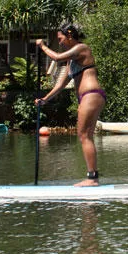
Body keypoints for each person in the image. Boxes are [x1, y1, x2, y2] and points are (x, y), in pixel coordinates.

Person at [35, 24, 106, 187]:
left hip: (91, 94)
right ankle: (92, 177)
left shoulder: (82, 48)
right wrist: (45, 99)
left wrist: (43, 46)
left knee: (84, 136)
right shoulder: (71, 62)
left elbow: (57, 57)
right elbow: (60, 85)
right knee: (85, 136)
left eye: (60, 39)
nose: (59, 42)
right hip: (88, 97)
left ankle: (92, 179)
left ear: (69, 36)